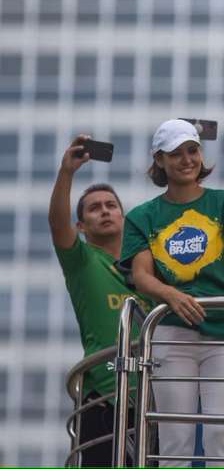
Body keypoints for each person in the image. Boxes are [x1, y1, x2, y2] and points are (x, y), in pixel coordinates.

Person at [120, 119, 224, 467]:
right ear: (159, 160)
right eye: (176, 154)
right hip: (171, 330)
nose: (187, 159)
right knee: (175, 437)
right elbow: (141, 275)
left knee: (222, 433)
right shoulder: (143, 215)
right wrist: (171, 295)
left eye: (192, 150)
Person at [49, 135, 150, 466]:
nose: (105, 211)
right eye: (94, 208)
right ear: (81, 225)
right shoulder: (81, 260)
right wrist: (67, 172)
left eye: (111, 205)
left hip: (154, 397)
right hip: (103, 398)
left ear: (123, 216)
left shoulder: (147, 265)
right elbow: (56, 223)